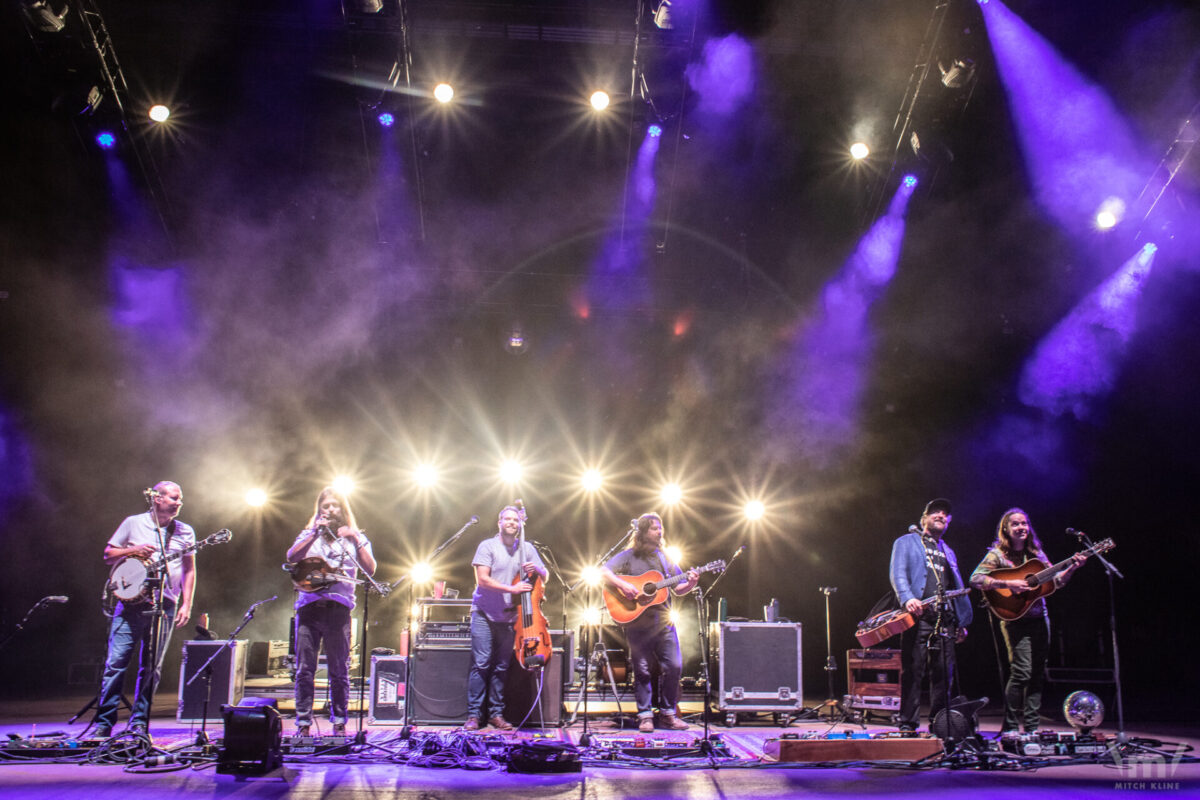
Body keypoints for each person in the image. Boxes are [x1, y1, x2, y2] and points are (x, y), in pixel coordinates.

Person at [94, 481, 196, 738]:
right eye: (174, 497)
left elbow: (189, 568)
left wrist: (187, 602)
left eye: (180, 498)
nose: (179, 502)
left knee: (152, 667)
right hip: (129, 604)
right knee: (116, 663)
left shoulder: (184, 532)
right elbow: (108, 554)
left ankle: (139, 722)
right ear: (157, 498)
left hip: (166, 603)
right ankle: (104, 723)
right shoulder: (133, 522)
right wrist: (134, 549)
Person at [970, 508, 1085, 733]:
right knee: (1021, 671)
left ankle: (1032, 727)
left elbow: (1056, 582)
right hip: (1013, 619)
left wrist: (1072, 568)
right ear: (1006, 529)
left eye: (1025, 523)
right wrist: (1008, 584)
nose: (1021, 527)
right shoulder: (997, 555)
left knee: (1037, 673)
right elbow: (975, 579)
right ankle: (1011, 727)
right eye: (1016, 524)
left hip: (1039, 618)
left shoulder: (1036, 555)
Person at [287, 487, 375, 736]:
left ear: (343, 509)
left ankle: (339, 724)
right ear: (319, 510)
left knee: (339, 670)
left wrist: (356, 538)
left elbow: (371, 569)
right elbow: (292, 556)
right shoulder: (308, 533)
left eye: (335, 505)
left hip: (339, 610)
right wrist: (313, 533)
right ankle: (303, 724)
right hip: (309, 608)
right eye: (325, 506)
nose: (330, 510)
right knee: (305, 669)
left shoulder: (354, 537)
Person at [600, 512, 698, 734]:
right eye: (655, 527)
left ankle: (667, 714)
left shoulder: (666, 559)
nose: (660, 531)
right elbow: (604, 571)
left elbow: (679, 588)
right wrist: (623, 586)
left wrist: (691, 582)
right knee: (642, 671)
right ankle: (645, 716)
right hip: (637, 623)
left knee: (674, 666)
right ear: (643, 531)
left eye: (661, 527)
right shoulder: (629, 556)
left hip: (663, 622)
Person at [889, 498, 973, 733]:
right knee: (914, 670)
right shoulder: (906, 542)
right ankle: (908, 722)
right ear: (923, 518)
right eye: (935, 512)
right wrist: (907, 598)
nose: (940, 515)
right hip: (918, 616)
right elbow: (898, 574)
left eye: (945, 514)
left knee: (943, 673)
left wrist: (961, 620)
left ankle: (940, 722)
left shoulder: (948, 551)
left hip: (944, 617)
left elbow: (954, 585)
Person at [465, 504, 548, 731]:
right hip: (484, 613)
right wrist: (512, 590)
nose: (512, 522)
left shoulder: (527, 548)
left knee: (501, 667)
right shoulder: (488, 546)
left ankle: (496, 714)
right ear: (499, 523)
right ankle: (474, 715)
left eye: (515, 520)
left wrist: (538, 570)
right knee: (481, 663)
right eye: (507, 519)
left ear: (521, 524)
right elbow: (482, 580)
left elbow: (545, 576)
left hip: (510, 618)